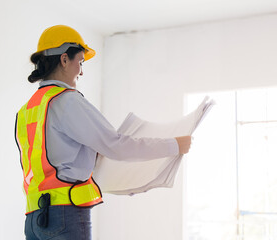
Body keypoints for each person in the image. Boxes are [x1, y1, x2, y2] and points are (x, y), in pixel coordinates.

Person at [15, 25, 192, 240]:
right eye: (80, 62)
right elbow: (116, 146)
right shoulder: (67, 100)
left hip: (34, 221)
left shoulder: (27, 110)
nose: (81, 71)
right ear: (64, 60)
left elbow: (52, 157)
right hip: (65, 215)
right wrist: (174, 145)